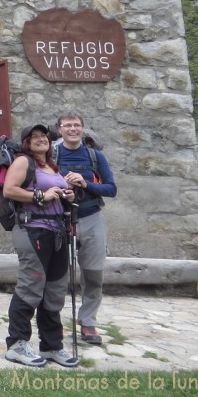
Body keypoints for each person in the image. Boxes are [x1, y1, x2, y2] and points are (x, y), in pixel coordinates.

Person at [1, 123, 80, 367]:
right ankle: (17, 344)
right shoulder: (24, 162)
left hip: (58, 232)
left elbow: (58, 193)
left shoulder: (52, 167)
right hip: (32, 230)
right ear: (26, 143)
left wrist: (69, 195)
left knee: (54, 290)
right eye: (34, 137)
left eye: (43, 136)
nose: (40, 139)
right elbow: (9, 190)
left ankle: (51, 345)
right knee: (31, 286)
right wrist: (40, 196)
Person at [54, 111, 117, 346]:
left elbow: (111, 189)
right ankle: (53, 321)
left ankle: (88, 322)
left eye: (77, 125)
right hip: (59, 218)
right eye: (67, 125)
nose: (72, 129)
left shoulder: (95, 156)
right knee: (58, 274)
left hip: (91, 217)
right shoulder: (52, 154)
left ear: (83, 128)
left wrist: (85, 183)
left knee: (93, 273)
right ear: (59, 129)